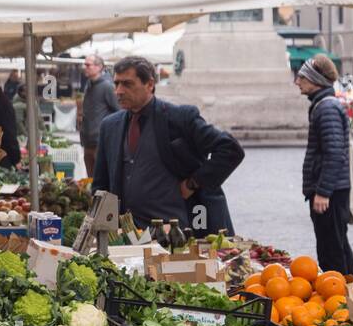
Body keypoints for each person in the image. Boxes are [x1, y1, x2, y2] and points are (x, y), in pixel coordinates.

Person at [93, 56, 245, 235]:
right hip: (128, 234)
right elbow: (100, 185)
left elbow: (230, 150)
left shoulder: (179, 118)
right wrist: (101, 231)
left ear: (149, 84)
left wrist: (192, 183)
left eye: (127, 84)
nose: (119, 91)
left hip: (179, 232)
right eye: (116, 83)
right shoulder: (110, 126)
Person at [297, 55, 353, 275]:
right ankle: (350, 292)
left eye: (302, 77)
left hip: (330, 191)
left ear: (315, 79)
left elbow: (334, 153)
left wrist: (323, 192)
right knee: (337, 243)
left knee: (331, 249)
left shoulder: (326, 108)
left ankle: (340, 297)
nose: (297, 81)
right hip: (333, 188)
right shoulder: (323, 105)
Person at [79, 54, 120, 180]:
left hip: (100, 142)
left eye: (88, 65)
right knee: (90, 180)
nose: (84, 67)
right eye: (84, 64)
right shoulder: (88, 85)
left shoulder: (107, 86)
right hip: (87, 141)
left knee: (101, 180)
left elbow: (119, 111)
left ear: (99, 67)